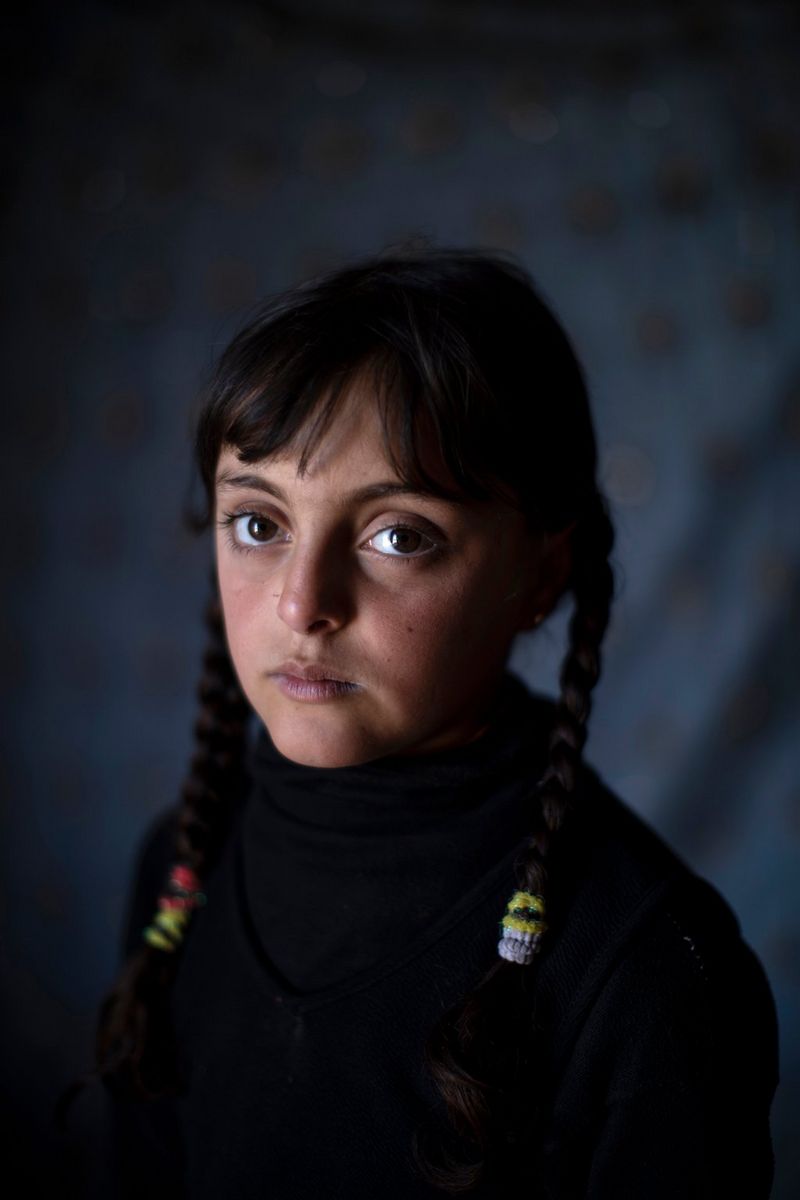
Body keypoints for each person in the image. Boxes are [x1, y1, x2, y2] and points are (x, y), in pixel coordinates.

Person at [71, 245, 778, 1196]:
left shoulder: (646, 972)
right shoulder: (180, 871)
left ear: (538, 575)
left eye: (398, 535)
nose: (301, 603)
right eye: (259, 523)